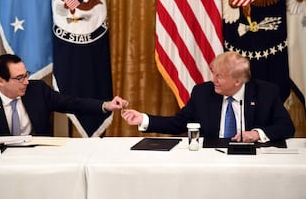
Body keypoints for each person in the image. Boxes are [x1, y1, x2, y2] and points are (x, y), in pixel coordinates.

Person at [121, 51, 295, 143]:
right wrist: (143, 119)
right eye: (214, 74)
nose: (214, 80)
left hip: (252, 162)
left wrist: (256, 134)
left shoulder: (266, 92)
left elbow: (286, 127)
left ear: (237, 81)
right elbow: (178, 124)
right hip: (211, 160)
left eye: (220, 76)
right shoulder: (202, 92)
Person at [0, 54, 128, 137]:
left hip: (40, 158)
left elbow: (72, 103)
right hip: (3, 165)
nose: (26, 82)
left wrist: (106, 105)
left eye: (26, 75)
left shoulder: (38, 90)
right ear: (1, 81)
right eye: (20, 78)